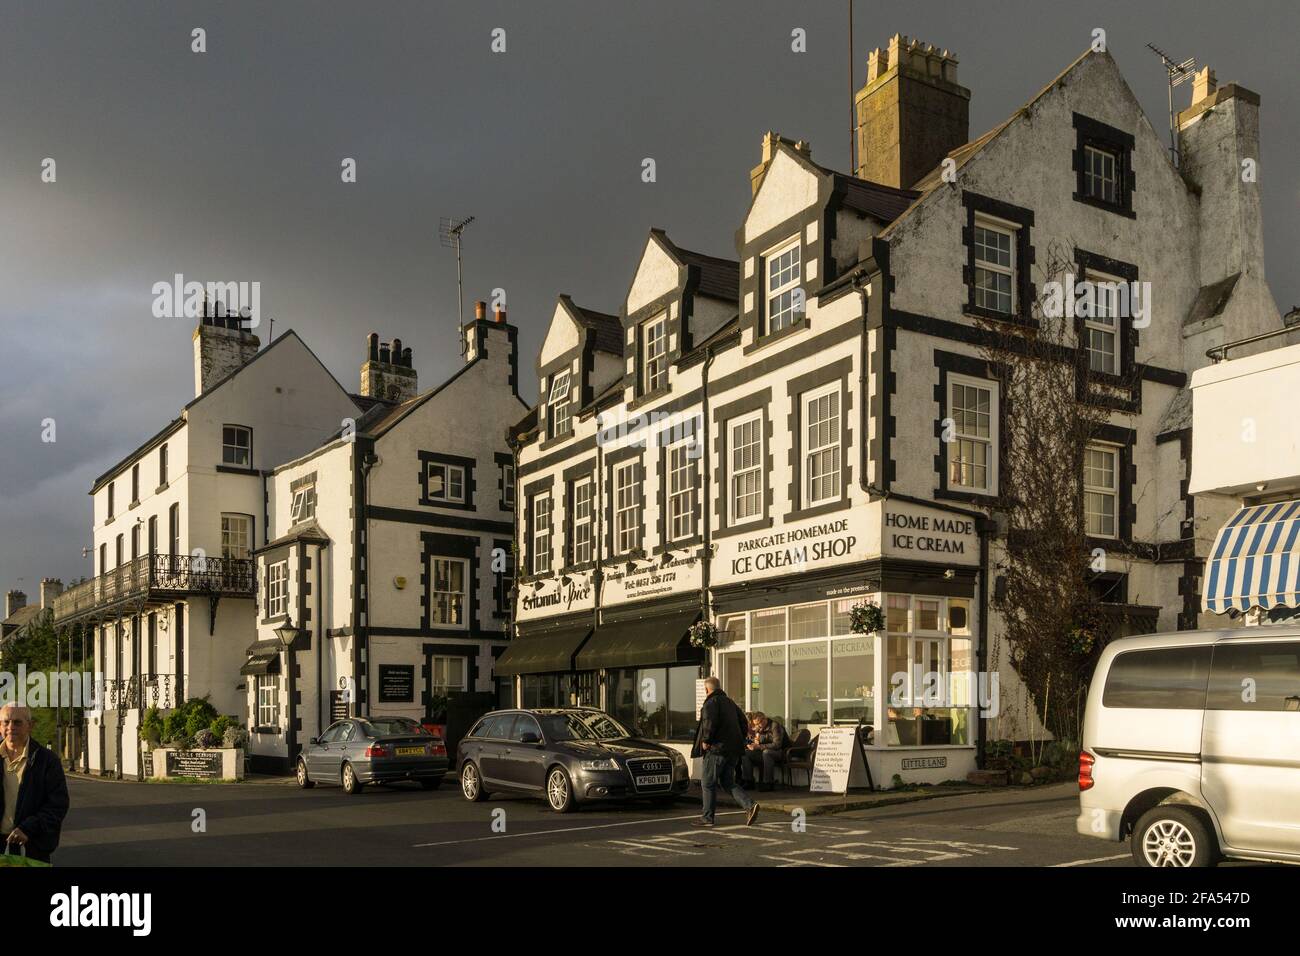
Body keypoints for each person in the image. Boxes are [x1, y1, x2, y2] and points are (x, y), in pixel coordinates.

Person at [1, 703, 70, 863]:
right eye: (6, 722)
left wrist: (28, 829)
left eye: (17, 722)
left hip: (31, 847)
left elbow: (57, 804)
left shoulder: (47, 761)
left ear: (30, 726)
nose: (11, 727)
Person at [690, 677, 759, 827]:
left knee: (707, 783)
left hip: (717, 750)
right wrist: (738, 739)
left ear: (707, 689)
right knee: (728, 782)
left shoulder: (710, 703)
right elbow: (743, 723)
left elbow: (709, 723)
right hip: (733, 750)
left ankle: (707, 818)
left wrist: (706, 741)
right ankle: (750, 805)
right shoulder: (730, 702)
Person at [741, 711, 789, 791]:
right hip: (764, 751)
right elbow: (760, 741)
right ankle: (749, 781)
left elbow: (777, 745)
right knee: (746, 753)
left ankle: (768, 783)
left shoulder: (775, 726)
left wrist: (759, 746)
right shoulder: (760, 728)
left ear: (764, 720)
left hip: (780, 752)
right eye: (755, 724)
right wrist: (754, 743)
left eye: (758, 723)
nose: (756, 726)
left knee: (767, 753)